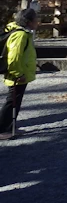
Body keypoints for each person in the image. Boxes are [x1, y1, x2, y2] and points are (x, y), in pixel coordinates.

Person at [0, 8, 39, 140]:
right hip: (17, 74)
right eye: (35, 19)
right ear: (29, 21)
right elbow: (14, 57)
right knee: (12, 101)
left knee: (14, 101)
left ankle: (10, 126)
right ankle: (3, 129)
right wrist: (18, 73)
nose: (37, 22)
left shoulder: (21, 32)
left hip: (20, 73)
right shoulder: (20, 35)